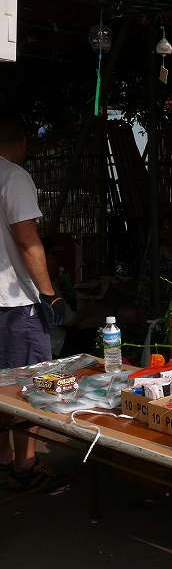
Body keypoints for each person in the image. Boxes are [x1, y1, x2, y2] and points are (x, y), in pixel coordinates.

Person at [0, 112, 65, 491]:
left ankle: (4, 457)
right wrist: (49, 294)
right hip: (13, 304)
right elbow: (27, 241)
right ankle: (25, 466)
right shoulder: (14, 177)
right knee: (29, 388)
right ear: (23, 142)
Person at [41, 237, 98, 357]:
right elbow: (69, 321)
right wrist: (87, 311)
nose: (55, 261)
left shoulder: (32, 284)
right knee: (99, 334)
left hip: (47, 343)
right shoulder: (47, 286)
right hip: (59, 345)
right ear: (40, 260)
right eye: (52, 257)